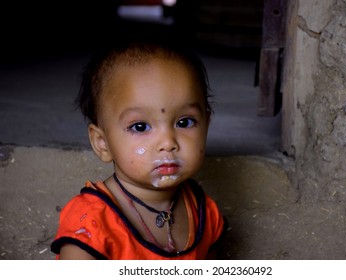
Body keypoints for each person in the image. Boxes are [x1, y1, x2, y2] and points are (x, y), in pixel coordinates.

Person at [50, 39, 226, 260]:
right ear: (102, 143)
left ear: (206, 125)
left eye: (185, 122)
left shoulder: (205, 215)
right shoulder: (90, 224)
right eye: (140, 127)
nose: (167, 142)